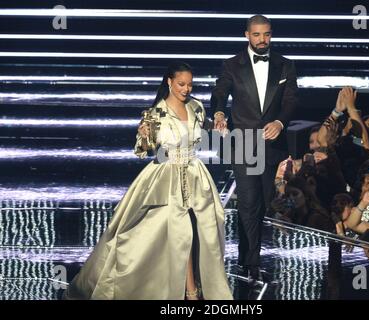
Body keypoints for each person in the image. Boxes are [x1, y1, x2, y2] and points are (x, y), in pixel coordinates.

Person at [63, 62, 233, 300]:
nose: (186, 89)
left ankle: (194, 287)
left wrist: (218, 127)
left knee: (202, 231)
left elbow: (204, 133)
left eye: (190, 84)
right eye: (181, 84)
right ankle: (189, 291)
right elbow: (143, 150)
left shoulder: (196, 107)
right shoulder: (156, 113)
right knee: (175, 233)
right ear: (169, 82)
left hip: (195, 175)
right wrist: (144, 137)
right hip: (166, 177)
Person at [211, 14, 298, 281]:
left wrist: (281, 123)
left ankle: (246, 257)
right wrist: (218, 114)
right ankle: (250, 263)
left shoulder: (285, 65)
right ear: (247, 35)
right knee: (249, 202)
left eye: (267, 34)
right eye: (257, 35)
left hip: (272, 144)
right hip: (245, 142)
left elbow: (291, 101)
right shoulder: (231, 65)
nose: (263, 40)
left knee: (260, 204)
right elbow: (219, 94)